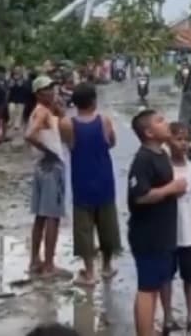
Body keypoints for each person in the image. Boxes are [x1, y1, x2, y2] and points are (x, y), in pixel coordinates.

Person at [127, 109, 187, 336]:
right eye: (160, 121)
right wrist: (171, 189)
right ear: (149, 132)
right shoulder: (143, 159)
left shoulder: (161, 154)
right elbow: (140, 196)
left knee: (153, 285)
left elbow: (158, 190)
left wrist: (172, 193)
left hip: (163, 233)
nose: (166, 123)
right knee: (148, 289)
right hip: (148, 234)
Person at [67, 83, 121, 287]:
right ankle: (107, 267)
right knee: (107, 224)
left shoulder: (69, 124)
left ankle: (89, 272)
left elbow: (70, 145)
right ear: (94, 101)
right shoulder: (104, 121)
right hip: (104, 180)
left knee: (84, 229)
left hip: (81, 180)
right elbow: (112, 142)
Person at [160, 123, 191, 335]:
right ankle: (168, 317)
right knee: (166, 278)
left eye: (184, 139)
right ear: (168, 142)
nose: (182, 144)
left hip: (189, 236)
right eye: (177, 139)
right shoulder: (162, 170)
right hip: (167, 235)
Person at [25, 75, 71, 277]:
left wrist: (60, 110)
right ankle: (49, 265)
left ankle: (35, 260)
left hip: (42, 167)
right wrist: (49, 151)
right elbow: (30, 135)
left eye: (52, 88)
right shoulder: (42, 111)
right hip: (51, 167)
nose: (51, 92)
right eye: (46, 89)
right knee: (52, 216)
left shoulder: (44, 111)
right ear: (37, 93)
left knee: (41, 216)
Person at [7, 66, 31, 137]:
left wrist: (23, 84)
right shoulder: (11, 79)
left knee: (19, 112)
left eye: (18, 70)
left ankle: (17, 124)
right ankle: (11, 120)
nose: (17, 71)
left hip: (21, 98)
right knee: (11, 109)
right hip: (12, 98)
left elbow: (27, 88)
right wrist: (11, 84)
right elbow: (8, 87)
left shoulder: (24, 79)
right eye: (15, 70)